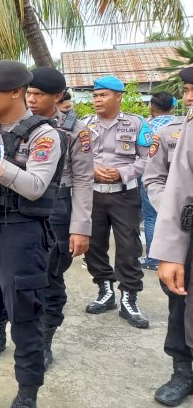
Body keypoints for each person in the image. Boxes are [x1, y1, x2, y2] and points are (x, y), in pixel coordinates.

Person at [0, 60, 64, 408]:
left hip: (23, 235)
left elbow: (36, 186)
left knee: (26, 320)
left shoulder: (43, 133)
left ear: (15, 92)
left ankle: (27, 393)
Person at [26, 67, 94, 368]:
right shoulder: (17, 122)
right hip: (19, 202)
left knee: (50, 276)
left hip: (58, 205)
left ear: (57, 97)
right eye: (28, 93)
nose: (30, 99)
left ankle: (44, 339)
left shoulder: (75, 130)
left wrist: (81, 227)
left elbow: (83, 180)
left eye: (38, 95)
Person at [82, 75, 152, 328]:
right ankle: (105, 291)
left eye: (103, 95)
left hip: (125, 194)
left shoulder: (137, 124)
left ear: (118, 96)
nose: (97, 99)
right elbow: (76, 158)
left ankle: (129, 298)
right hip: (93, 194)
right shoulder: (84, 124)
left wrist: (123, 173)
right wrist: (91, 170)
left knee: (128, 246)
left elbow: (147, 159)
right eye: (95, 95)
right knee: (93, 244)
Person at [144, 67, 193, 407]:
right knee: (181, 304)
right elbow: (160, 180)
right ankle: (183, 371)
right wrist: (171, 212)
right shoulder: (180, 131)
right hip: (187, 231)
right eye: (187, 89)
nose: (189, 97)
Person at [139, 92, 177, 271]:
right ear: (173, 107)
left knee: (152, 217)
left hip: (153, 178)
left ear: (152, 108)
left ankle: (154, 259)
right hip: (178, 180)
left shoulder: (146, 127)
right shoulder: (181, 125)